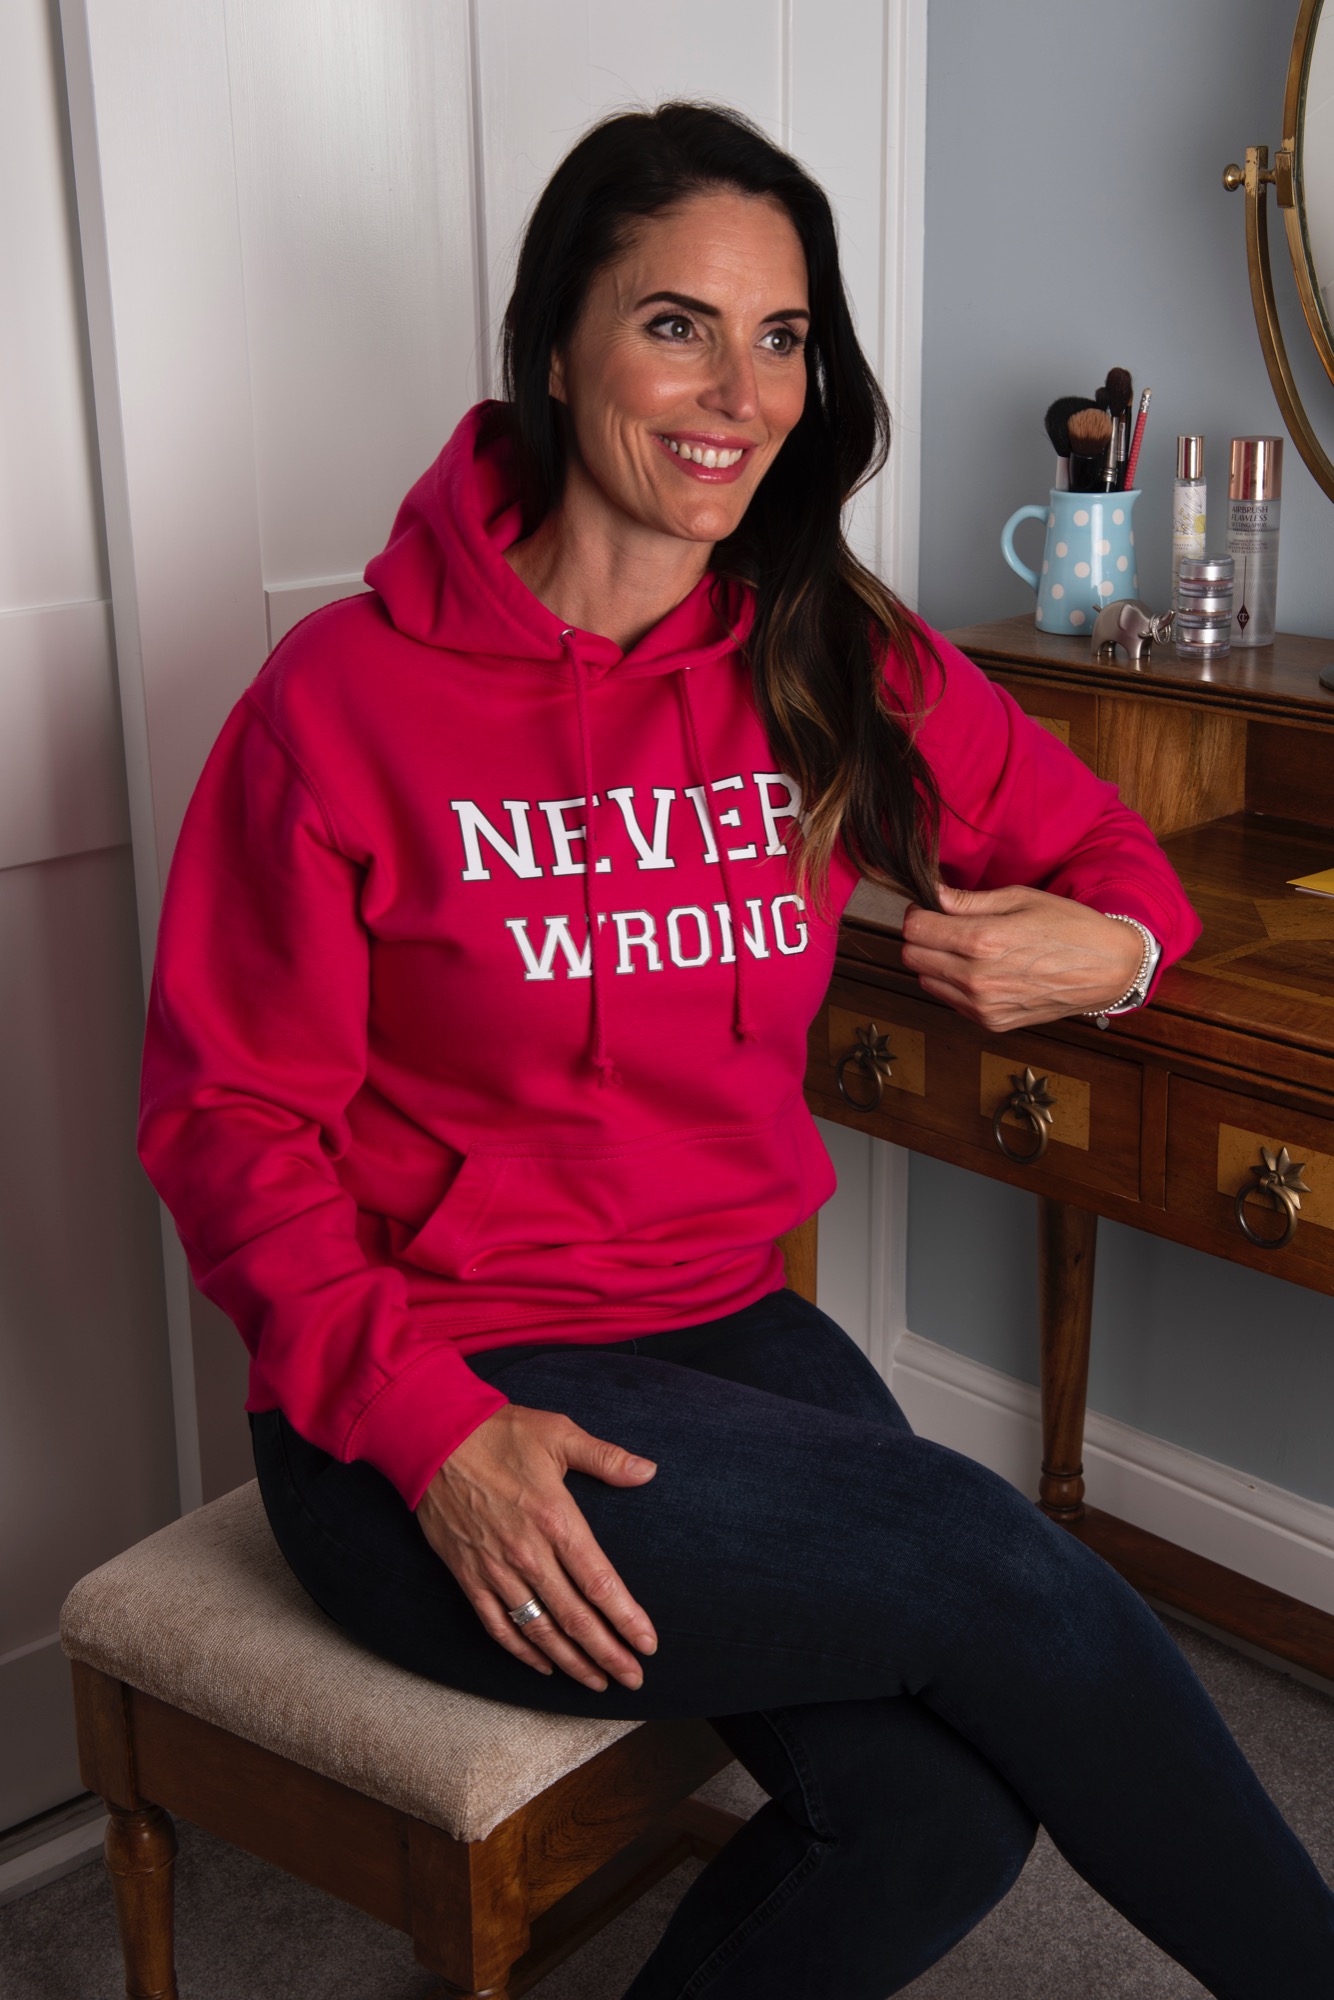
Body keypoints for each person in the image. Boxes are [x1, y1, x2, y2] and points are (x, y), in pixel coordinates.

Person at [138, 101, 1333, 2000]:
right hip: (418, 1393)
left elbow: (1111, 850)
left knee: (934, 1818)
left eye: (780, 337)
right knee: (1008, 1572)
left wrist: (1110, 947)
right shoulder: (339, 702)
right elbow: (228, 1129)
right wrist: (431, 1434)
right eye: (675, 323)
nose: (740, 392)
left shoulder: (822, 653)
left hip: (719, 1330)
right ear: (555, 346)